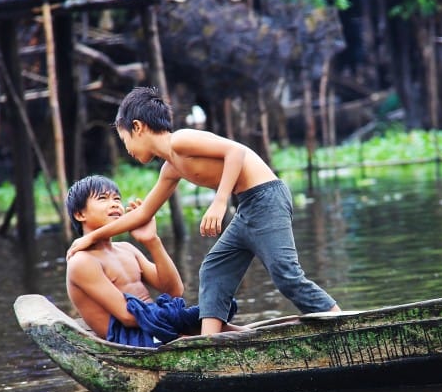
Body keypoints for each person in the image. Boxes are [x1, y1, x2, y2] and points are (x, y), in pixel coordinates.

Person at [66, 86, 340, 335]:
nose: (127, 150)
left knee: (285, 275)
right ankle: (210, 341)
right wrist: (90, 238)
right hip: (247, 205)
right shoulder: (170, 168)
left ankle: (338, 321)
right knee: (213, 269)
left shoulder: (180, 141)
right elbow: (142, 214)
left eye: (125, 140)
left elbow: (236, 152)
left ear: (137, 127)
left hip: (266, 198)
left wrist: (220, 202)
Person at [65, 174, 237, 348]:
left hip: (154, 325)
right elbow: (128, 317)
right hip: (130, 339)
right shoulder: (82, 261)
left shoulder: (127, 249)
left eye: (117, 198)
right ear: (80, 214)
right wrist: (177, 317)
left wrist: (152, 241)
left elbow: (174, 290)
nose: (115, 203)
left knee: (220, 321)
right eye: (103, 198)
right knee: (205, 327)